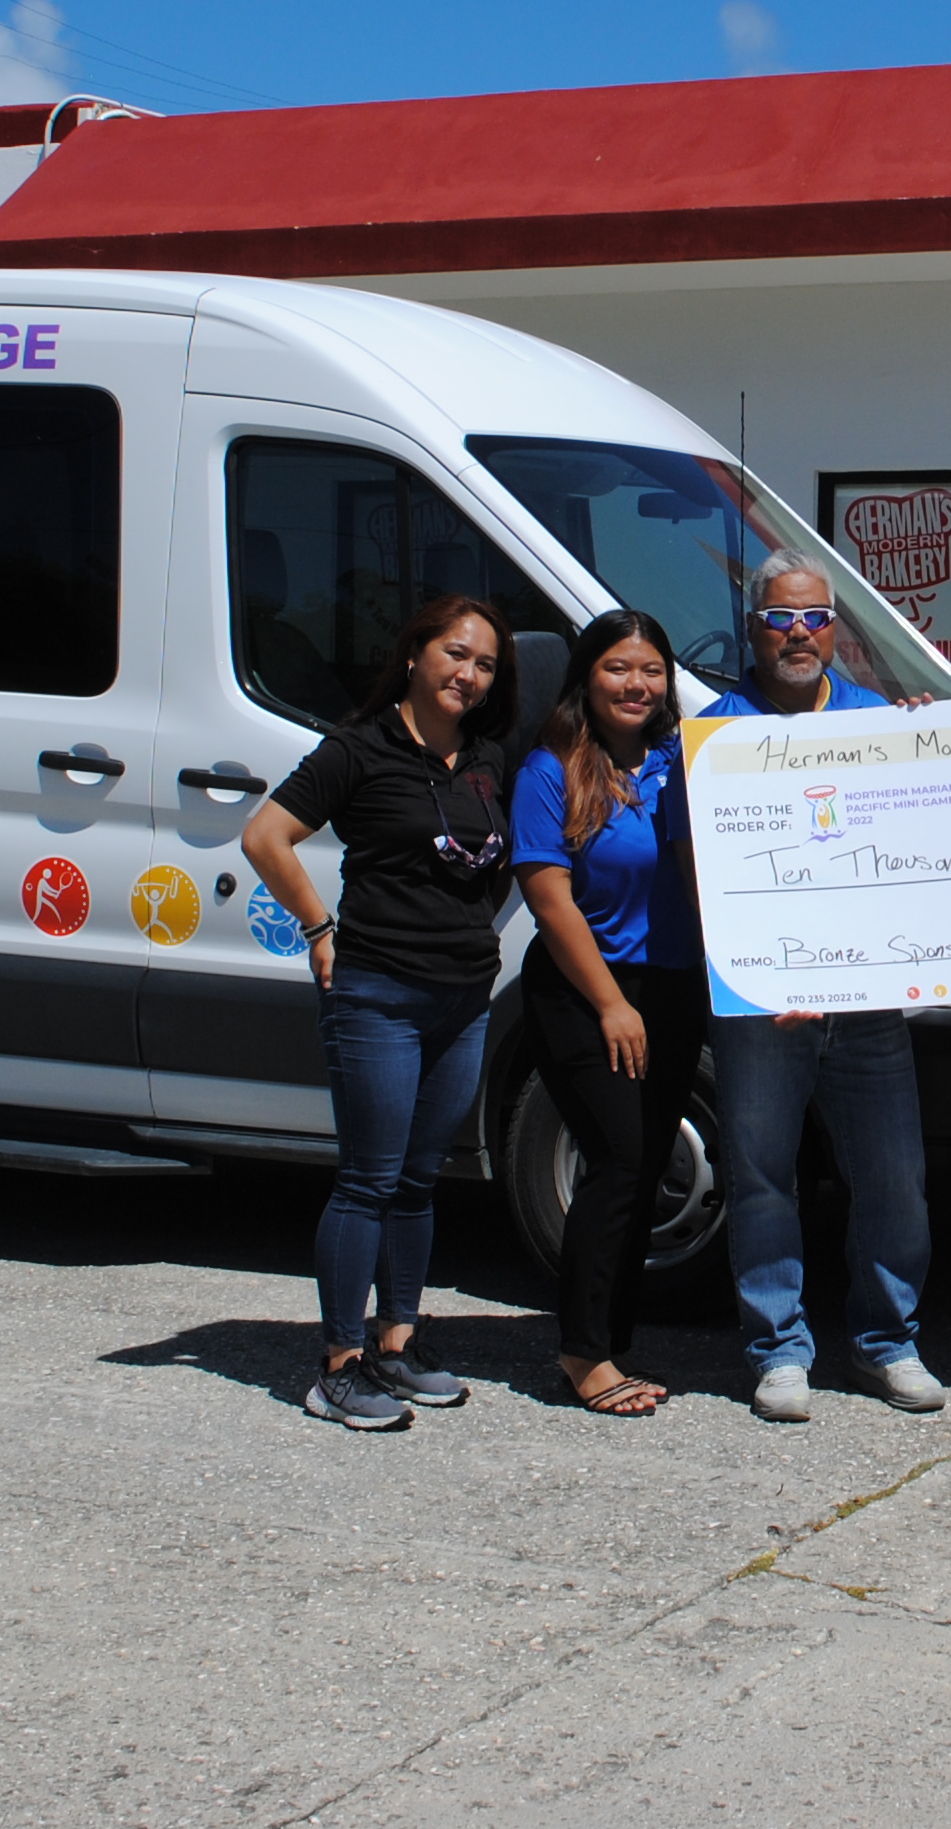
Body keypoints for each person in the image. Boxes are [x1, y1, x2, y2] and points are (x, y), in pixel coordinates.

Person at [244, 593, 523, 1434]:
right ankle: (338, 1365)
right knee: (368, 1179)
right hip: (378, 995)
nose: (468, 675)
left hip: (463, 997)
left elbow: (496, 861)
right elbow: (265, 836)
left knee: (417, 1179)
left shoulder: (484, 758)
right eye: (455, 654)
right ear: (413, 654)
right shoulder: (357, 750)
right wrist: (319, 926)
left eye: (484, 665)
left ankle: (396, 1345)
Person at [703, 554, 941, 1423]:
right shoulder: (716, 734)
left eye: (811, 618)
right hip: (764, 1005)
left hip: (869, 1003)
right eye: (778, 618)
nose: (796, 633)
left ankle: (889, 1343)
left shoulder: (882, 722)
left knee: (894, 1176)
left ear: (835, 627)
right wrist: (766, 968)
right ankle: (778, 1350)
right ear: (754, 625)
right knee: (763, 1177)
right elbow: (709, 877)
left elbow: (925, 847)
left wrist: (924, 744)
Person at [511, 608, 712, 1418]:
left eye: (651, 670)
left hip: (672, 986)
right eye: (618, 670)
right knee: (620, 1160)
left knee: (647, 1158)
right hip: (583, 989)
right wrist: (609, 1005)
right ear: (586, 680)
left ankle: (611, 1336)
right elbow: (546, 894)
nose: (637, 685)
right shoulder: (550, 769)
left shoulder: (682, 759)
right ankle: (582, 1354)